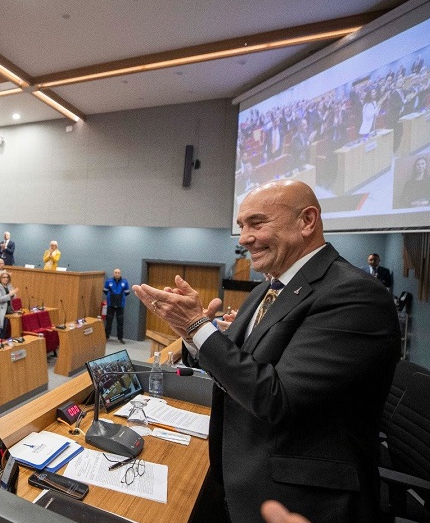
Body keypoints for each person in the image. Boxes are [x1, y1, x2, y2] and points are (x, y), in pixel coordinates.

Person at [133, 180, 400, 522]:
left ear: (307, 221)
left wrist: (198, 327)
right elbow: (239, 360)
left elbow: (278, 397)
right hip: (241, 469)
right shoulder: (269, 288)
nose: (243, 238)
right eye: (242, 226)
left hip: (298, 499)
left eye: (257, 224)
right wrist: (190, 334)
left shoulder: (354, 295)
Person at [103, 269, 130, 343]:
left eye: (118, 273)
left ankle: (120, 338)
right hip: (110, 304)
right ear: (113, 273)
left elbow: (127, 292)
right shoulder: (108, 281)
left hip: (120, 305)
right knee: (109, 322)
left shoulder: (125, 282)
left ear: (120, 274)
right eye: (116, 273)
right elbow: (105, 291)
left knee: (120, 322)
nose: (117, 274)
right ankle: (106, 336)